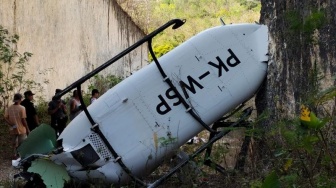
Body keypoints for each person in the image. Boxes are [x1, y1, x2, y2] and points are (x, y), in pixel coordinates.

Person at [4, 93, 30, 159]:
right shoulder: (22, 108)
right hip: (21, 129)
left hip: (12, 128)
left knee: (14, 143)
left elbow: (5, 118)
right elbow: (23, 120)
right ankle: (21, 155)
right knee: (22, 142)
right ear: (20, 99)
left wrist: (11, 124)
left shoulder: (9, 108)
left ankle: (14, 155)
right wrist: (27, 129)